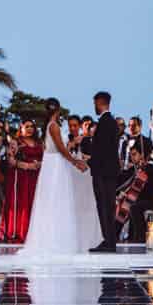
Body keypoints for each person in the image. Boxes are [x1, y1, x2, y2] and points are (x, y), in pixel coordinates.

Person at [18, 98, 101, 256]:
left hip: (53, 163)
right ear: (57, 109)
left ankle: (54, 237)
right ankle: (55, 241)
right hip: (56, 164)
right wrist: (75, 162)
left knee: (54, 200)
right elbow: (61, 149)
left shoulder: (50, 125)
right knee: (57, 200)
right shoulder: (54, 126)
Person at [87, 91, 122, 253]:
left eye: (95, 103)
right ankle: (108, 240)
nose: (94, 107)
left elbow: (102, 150)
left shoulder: (106, 123)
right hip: (107, 171)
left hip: (103, 172)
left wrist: (88, 162)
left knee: (105, 206)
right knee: (106, 206)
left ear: (100, 103)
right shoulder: (110, 122)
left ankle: (109, 241)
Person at [1, 120, 44, 242]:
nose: (30, 129)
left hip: (36, 177)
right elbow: (11, 161)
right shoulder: (16, 142)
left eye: (32, 126)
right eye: (27, 126)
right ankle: (19, 232)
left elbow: (46, 158)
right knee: (23, 203)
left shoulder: (39, 143)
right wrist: (27, 166)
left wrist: (39, 164)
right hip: (20, 178)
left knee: (35, 203)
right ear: (21, 128)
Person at [114, 145, 153, 245]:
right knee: (126, 204)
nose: (132, 157)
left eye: (134, 154)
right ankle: (118, 233)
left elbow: (146, 189)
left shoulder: (151, 167)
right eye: (131, 155)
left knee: (132, 206)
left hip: (151, 200)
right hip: (138, 199)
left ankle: (139, 237)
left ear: (142, 155)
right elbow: (124, 179)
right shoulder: (135, 168)